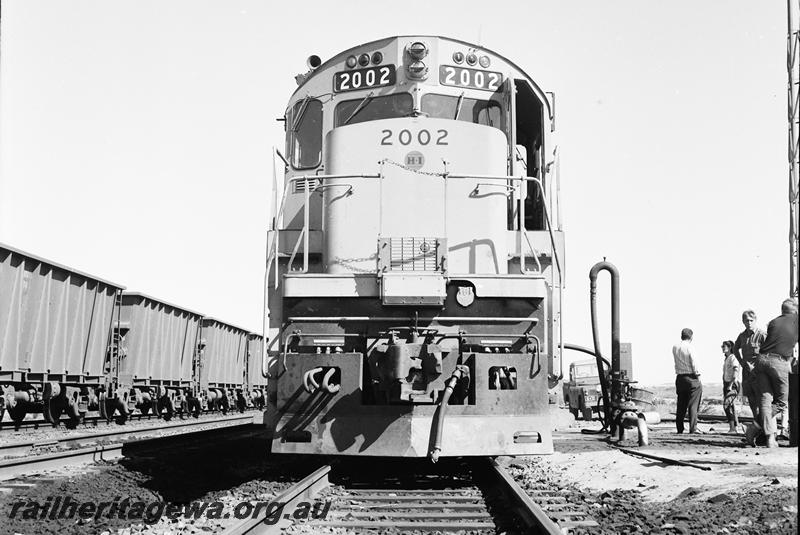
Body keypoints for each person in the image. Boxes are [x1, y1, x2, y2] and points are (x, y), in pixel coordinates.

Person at [747, 298, 799, 448]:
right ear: (795, 310)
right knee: (782, 403)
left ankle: (770, 439)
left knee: (765, 401)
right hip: (778, 362)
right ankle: (754, 427)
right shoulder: (796, 320)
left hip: (761, 360)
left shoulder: (773, 322)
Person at [733, 310, 766, 421]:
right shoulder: (742, 336)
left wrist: (759, 366)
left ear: (755, 320)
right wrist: (741, 362)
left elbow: (769, 353)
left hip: (759, 373)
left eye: (751, 320)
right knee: (751, 400)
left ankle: (764, 427)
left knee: (762, 400)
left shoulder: (762, 335)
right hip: (747, 373)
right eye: (746, 321)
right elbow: (735, 348)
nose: (749, 323)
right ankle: (757, 423)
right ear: (743, 322)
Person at [672, 328, 703, 434]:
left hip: (680, 378)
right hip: (691, 377)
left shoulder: (675, 347)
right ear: (691, 337)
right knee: (693, 404)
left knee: (681, 404)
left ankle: (679, 428)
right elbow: (694, 363)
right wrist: (698, 375)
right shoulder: (690, 347)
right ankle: (693, 428)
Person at [721, 340, 740, 433]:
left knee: (727, 405)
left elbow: (735, 370)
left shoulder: (733, 357)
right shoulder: (727, 358)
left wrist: (732, 383)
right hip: (727, 383)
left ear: (730, 347)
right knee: (730, 406)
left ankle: (733, 427)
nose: (722, 348)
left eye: (724, 346)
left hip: (731, 384)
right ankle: (734, 427)